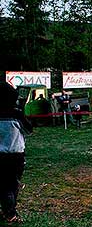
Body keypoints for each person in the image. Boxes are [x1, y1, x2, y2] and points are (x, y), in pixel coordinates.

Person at [0, 82, 32, 223]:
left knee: (3, 185)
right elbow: (29, 130)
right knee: (11, 186)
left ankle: (6, 210)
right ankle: (10, 213)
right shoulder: (16, 114)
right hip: (15, 155)